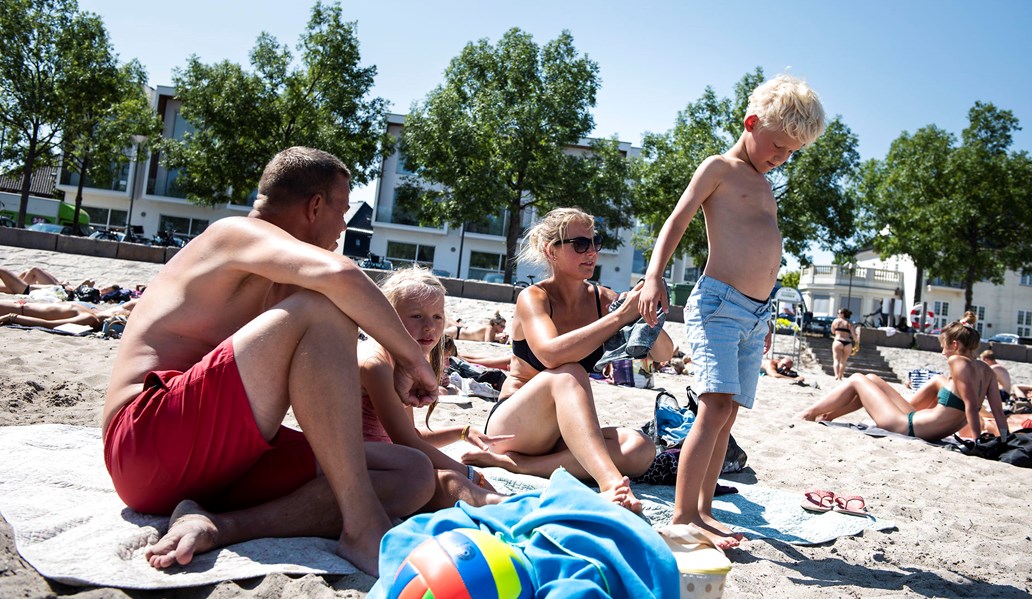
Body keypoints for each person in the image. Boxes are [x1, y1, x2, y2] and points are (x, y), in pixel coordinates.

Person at [102, 147, 440, 576]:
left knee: (411, 473)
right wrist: (411, 359)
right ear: (315, 206)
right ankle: (363, 527)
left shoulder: (281, 279)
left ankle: (218, 525)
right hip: (146, 443)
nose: (346, 224)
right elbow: (340, 277)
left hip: (220, 462)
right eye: (343, 209)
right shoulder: (233, 234)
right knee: (326, 303)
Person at [637, 74, 826, 550]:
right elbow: (677, 219)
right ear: (751, 123)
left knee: (729, 414)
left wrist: (766, 314)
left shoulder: (764, 185)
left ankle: (703, 509)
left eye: (790, 153)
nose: (781, 158)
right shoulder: (719, 168)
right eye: (778, 146)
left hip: (755, 313)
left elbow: (763, 249)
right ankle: (681, 516)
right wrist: (655, 275)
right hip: (718, 303)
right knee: (713, 404)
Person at [466, 207, 673, 514]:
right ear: (552, 251)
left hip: (561, 434)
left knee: (641, 447)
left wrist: (650, 311)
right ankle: (611, 485)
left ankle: (521, 466)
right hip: (517, 424)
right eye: (580, 244)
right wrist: (619, 317)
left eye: (595, 241)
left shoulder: (601, 299)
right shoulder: (534, 297)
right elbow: (551, 354)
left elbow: (664, 355)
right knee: (570, 372)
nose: (591, 252)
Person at [359, 267, 509, 510]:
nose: (429, 326)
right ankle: (509, 509)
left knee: (451, 479)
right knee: (453, 482)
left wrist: (462, 431)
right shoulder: (376, 364)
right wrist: (474, 476)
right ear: (388, 317)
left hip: (387, 463)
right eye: (416, 316)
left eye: (437, 317)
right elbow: (406, 442)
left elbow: (411, 436)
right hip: (360, 469)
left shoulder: (398, 362)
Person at [800, 312, 1010, 442]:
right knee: (872, 378)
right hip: (917, 422)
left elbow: (971, 406)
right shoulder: (987, 370)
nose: (943, 353)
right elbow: (998, 412)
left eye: (943, 347)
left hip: (908, 426)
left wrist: (976, 440)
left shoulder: (957, 361)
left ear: (954, 345)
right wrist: (1004, 439)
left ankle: (808, 413)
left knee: (856, 378)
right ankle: (828, 417)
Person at [1, 298, 136, 330]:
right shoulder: (95, 312)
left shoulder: (89, 318)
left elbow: (48, 324)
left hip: (18, 309)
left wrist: (13, 317)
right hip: (21, 305)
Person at [0, 266, 64, 295]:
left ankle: (13, 287)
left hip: (28, 290)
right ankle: (13, 287)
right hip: (29, 289)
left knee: (34, 270)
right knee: (28, 271)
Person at [831, 308, 857, 380]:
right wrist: (857, 342)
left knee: (836, 360)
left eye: (839, 313)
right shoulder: (849, 323)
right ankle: (840, 376)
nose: (838, 314)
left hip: (838, 341)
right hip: (848, 343)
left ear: (842, 314)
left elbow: (832, 331)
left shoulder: (835, 321)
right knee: (843, 361)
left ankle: (836, 375)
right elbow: (854, 335)